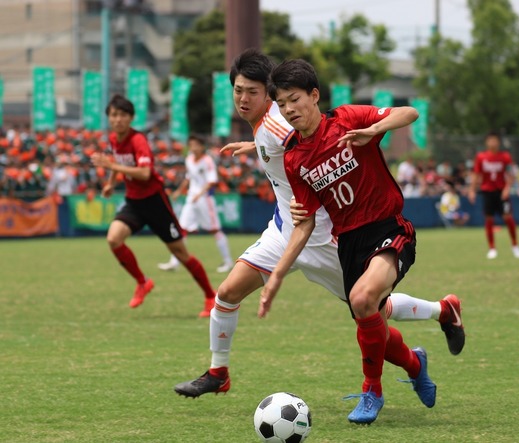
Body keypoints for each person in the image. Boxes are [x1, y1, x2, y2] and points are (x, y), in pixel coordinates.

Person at [173, 50, 463, 408]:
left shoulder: (281, 122)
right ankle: (219, 373)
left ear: (270, 94)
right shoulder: (268, 129)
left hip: (324, 237)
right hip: (285, 231)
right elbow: (282, 143)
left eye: (251, 91)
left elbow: (304, 136)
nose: (242, 99)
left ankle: (432, 328)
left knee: (371, 311)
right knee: (228, 293)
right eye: (237, 90)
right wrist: (256, 146)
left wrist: (370, 128)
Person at [259, 58, 465, 425]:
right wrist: (277, 274)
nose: (289, 109)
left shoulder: (348, 119)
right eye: (282, 103)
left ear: (314, 95)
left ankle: (372, 390)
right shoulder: (294, 157)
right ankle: (417, 363)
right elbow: (303, 224)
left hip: (389, 228)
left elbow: (409, 113)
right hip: (349, 244)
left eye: (295, 99)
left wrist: (376, 129)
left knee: (362, 299)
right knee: (374, 320)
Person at [91, 94, 217, 317]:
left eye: (122, 115)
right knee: (113, 239)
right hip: (134, 202)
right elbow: (117, 163)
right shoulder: (114, 139)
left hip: (155, 201)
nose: (117, 119)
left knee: (180, 253)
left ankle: (210, 296)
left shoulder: (138, 140)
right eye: (113, 115)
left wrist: (113, 166)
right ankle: (143, 282)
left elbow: (144, 173)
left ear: (130, 118)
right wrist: (111, 183)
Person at [157, 134, 233, 273]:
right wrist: (179, 191)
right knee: (181, 229)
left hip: (205, 200)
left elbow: (212, 181)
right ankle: (174, 262)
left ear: (202, 146)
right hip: (191, 199)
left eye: (196, 144)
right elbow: (189, 178)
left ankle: (228, 261)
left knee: (215, 230)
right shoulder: (189, 159)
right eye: (191, 144)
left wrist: (200, 194)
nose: (193, 147)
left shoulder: (207, 161)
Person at [468, 132, 519, 259]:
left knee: (508, 217)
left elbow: (511, 174)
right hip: (487, 192)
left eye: (495, 140)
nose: (493, 143)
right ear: (486, 142)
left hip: (501, 192)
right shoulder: (481, 157)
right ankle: (492, 248)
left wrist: (507, 188)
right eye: (490, 140)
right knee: (489, 219)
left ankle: (515, 245)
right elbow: (476, 174)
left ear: (498, 142)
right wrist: (472, 190)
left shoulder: (505, 156)